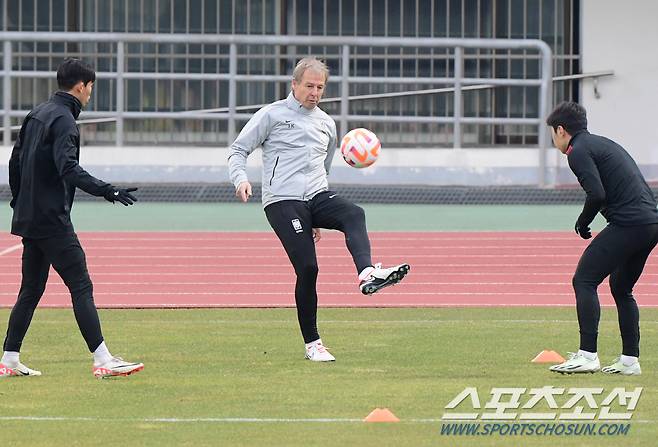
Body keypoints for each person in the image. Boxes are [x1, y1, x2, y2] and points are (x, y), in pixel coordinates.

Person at [228, 57, 410, 362]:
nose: (315, 92)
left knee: (354, 213)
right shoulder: (271, 115)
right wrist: (241, 179)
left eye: (320, 87)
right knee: (309, 269)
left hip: (315, 195)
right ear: (295, 85)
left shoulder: (326, 123)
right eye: (309, 86)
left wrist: (316, 218)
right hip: (282, 201)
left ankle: (367, 273)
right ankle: (313, 344)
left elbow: (323, 167)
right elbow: (238, 149)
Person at [0, 58, 144, 379]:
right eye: (91, 87)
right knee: (80, 284)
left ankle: (9, 359)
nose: (91, 93)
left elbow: (14, 161)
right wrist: (108, 191)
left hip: (31, 218)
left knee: (31, 289)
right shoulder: (65, 120)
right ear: (80, 86)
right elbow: (68, 168)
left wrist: (19, 203)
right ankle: (103, 359)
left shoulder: (36, 114)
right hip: (52, 220)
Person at [547, 102, 658, 376]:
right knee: (621, 288)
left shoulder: (578, 151)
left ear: (561, 130)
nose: (554, 139)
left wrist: (583, 222)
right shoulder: (600, 143)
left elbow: (597, 194)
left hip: (630, 223)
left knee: (583, 280)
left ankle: (587, 355)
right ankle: (630, 361)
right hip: (650, 223)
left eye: (553, 133)